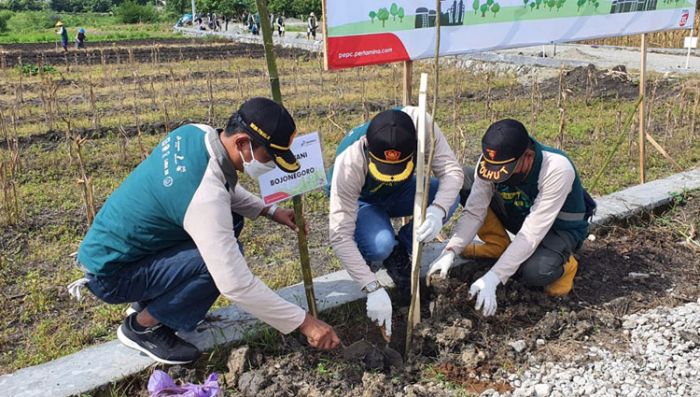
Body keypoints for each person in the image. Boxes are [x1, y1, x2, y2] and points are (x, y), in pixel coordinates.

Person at [67, 98, 341, 364]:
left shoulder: (196, 133)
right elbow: (235, 284)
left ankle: (151, 301)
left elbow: (218, 187)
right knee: (215, 267)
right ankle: (142, 327)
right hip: (112, 276)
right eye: (268, 156)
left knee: (230, 221)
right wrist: (306, 323)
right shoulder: (205, 198)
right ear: (243, 143)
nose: (269, 164)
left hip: (114, 251)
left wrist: (270, 211)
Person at [427, 119, 595, 316]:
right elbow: (475, 210)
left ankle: (567, 264)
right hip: (521, 215)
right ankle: (497, 245)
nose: (496, 176)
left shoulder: (556, 169)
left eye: (504, 171)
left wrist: (494, 277)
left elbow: (532, 233)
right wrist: (451, 250)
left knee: (535, 273)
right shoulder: (492, 162)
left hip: (558, 229)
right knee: (466, 178)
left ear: (528, 156)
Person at [328, 108, 464, 337]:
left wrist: (436, 211)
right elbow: (339, 235)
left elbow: (452, 171)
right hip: (364, 201)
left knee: (450, 198)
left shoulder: (423, 127)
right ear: (369, 149)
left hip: (403, 190)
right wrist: (370, 286)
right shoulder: (349, 162)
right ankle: (382, 251)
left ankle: (401, 248)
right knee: (380, 244)